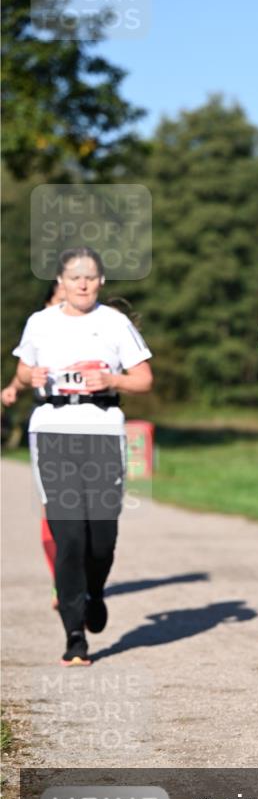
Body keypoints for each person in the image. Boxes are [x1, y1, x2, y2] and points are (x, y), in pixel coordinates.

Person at [12, 247, 153, 666]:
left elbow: (144, 379)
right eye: (75, 277)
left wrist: (111, 378)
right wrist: (29, 376)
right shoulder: (40, 323)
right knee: (69, 536)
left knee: (101, 539)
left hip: (103, 431)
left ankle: (94, 591)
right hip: (53, 430)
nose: (83, 284)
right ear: (61, 281)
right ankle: (75, 635)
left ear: (102, 281)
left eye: (91, 277)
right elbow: (23, 371)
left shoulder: (114, 322)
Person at [2, 279, 67, 597]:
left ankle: (80, 571)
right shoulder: (39, 329)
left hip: (91, 424)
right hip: (50, 421)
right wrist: (15, 386)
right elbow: (24, 368)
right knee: (52, 505)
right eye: (57, 300)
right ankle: (61, 579)